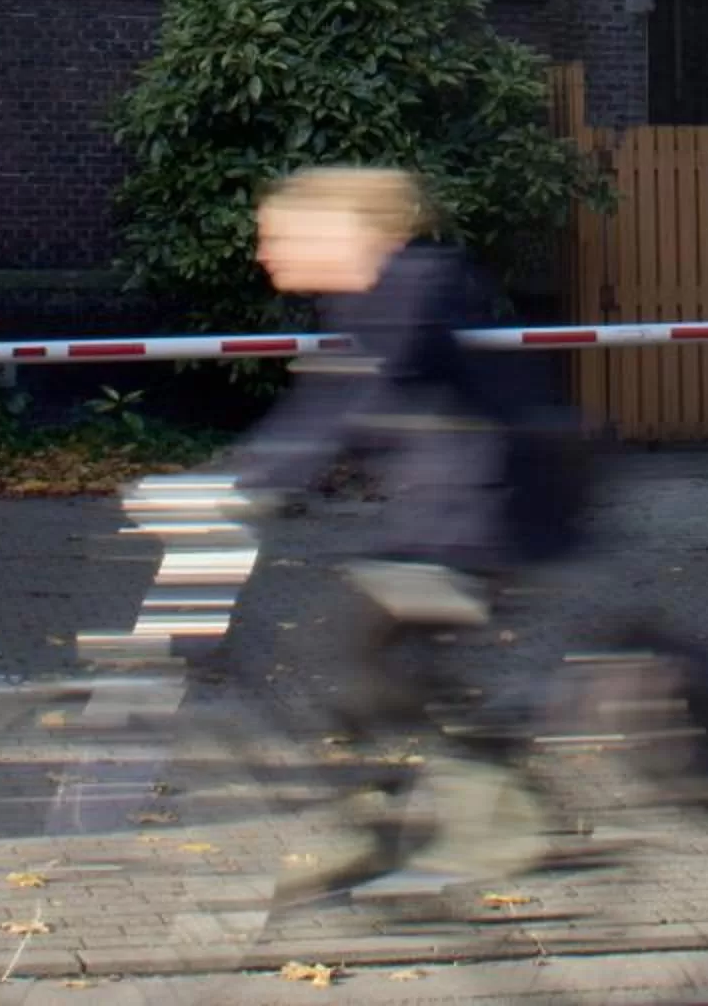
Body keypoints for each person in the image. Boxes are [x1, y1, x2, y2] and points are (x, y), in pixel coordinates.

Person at [233, 164, 551, 896]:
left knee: (372, 663)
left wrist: (245, 486)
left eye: (278, 235)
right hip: (441, 517)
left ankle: (489, 824)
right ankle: (402, 828)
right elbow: (323, 410)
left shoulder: (415, 284)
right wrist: (236, 479)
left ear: (340, 230)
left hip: (490, 515)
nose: (264, 252)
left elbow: (358, 400)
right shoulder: (361, 299)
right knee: (357, 667)